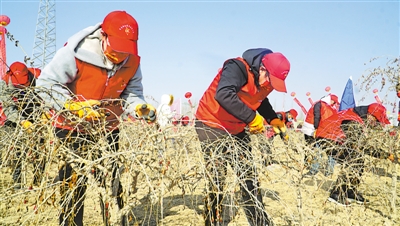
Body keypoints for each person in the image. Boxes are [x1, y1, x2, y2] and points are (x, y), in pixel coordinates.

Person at [36, 10, 156, 226]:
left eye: (125, 50)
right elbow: (46, 84)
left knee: (112, 180)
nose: (120, 56)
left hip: (108, 127)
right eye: (116, 48)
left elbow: (132, 93)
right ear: (103, 36)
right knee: (73, 184)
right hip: (72, 127)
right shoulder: (77, 52)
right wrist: (73, 106)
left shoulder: (132, 61)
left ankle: (116, 221)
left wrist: (139, 107)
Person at [195, 48, 290, 226]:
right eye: (269, 79)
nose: (269, 84)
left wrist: (273, 119)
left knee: (249, 176)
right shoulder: (237, 67)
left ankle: (260, 222)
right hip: (211, 123)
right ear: (262, 69)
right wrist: (252, 118)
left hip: (237, 128)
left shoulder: (266, 81)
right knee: (217, 177)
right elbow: (223, 94)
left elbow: (261, 100)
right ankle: (212, 221)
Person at [315, 103, 392, 206]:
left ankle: (350, 191)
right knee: (353, 160)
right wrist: (385, 155)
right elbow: (361, 145)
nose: (376, 124)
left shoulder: (357, 117)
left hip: (333, 139)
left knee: (358, 159)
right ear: (370, 115)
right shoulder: (352, 120)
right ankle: (337, 193)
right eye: (376, 120)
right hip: (327, 139)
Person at [0, 61, 43, 188]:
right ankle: (18, 181)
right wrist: (22, 121)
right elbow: (9, 109)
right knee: (16, 147)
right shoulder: (4, 84)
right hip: (13, 116)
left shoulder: (39, 78)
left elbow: (47, 97)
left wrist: (44, 115)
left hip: (34, 112)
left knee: (39, 146)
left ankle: (38, 179)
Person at [301, 93, 339, 177]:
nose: (333, 104)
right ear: (331, 100)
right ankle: (329, 172)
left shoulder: (321, 105)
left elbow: (317, 117)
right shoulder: (331, 109)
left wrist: (316, 128)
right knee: (331, 152)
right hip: (332, 133)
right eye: (334, 102)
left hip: (323, 132)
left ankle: (314, 170)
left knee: (317, 151)